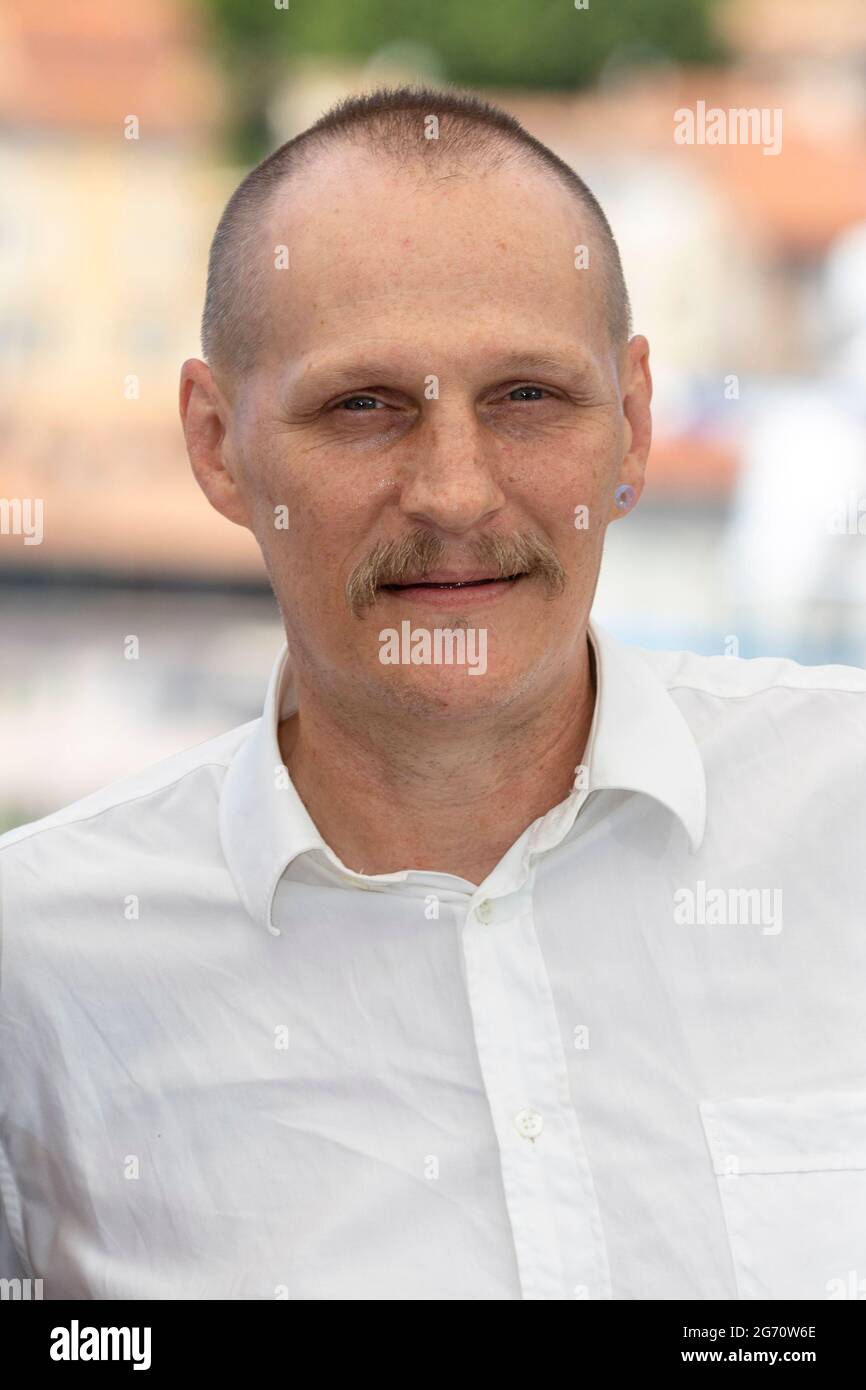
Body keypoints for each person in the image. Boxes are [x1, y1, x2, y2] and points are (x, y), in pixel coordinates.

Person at [1, 86, 865, 1302]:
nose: (454, 493)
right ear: (213, 442)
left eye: (525, 396)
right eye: (362, 405)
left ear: (632, 420)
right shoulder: (32, 971)